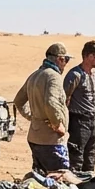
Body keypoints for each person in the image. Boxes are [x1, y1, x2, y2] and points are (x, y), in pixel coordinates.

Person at [13, 43, 72, 173]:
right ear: (60, 59)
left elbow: (18, 101)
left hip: (35, 137)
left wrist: (34, 116)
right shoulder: (53, 76)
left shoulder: (35, 75)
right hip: (50, 140)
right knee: (58, 179)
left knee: (40, 179)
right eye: (66, 60)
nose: (66, 64)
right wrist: (57, 125)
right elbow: (51, 102)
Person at [63, 41, 95, 175]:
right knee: (76, 155)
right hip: (78, 120)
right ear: (88, 56)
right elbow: (65, 98)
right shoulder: (75, 74)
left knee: (91, 154)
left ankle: (89, 183)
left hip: (92, 119)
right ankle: (75, 185)